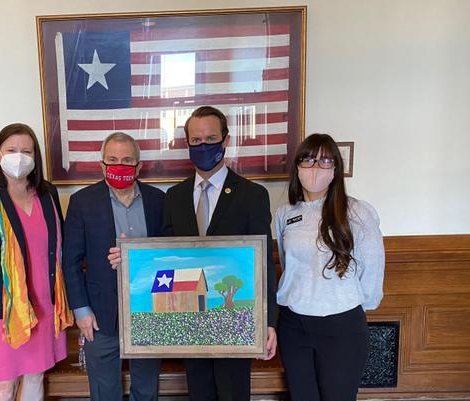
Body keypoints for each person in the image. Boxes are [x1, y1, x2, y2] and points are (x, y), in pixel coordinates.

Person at [161, 106, 278, 401]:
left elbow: (263, 264)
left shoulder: (252, 195)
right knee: (199, 393)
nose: (203, 146)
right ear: (187, 144)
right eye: (196, 141)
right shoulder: (174, 197)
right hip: (190, 316)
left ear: (225, 140)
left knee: (233, 394)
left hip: (236, 316)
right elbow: (165, 258)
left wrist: (269, 321)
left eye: (211, 138)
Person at [0, 123, 73, 401]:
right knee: (3, 387)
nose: (19, 156)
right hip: (2, 313)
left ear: (35, 157)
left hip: (45, 308)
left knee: (35, 377)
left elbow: (59, 248)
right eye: (11, 150)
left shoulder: (47, 194)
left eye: (26, 151)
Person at [275, 133, 385, 401]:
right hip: (293, 324)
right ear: (298, 166)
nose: (316, 168)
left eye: (325, 161)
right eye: (309, 160)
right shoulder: (285, 213)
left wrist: (351, 301)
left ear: (335, 169)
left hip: (342, 324)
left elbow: (372, 269)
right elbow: (286, 262)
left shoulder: (357, 212)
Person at [63, 132, 165, 401]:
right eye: (113, 159)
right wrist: (81, 311)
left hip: (150, 309)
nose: (120, 165)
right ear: (102, 164)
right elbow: (70, 262)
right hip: (99, 314)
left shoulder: (159, 201)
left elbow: (170, 254)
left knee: (146, 390)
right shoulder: (82, 202)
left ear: (139, 166)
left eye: (127, 160)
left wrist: (138, 255)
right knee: (104, 391)